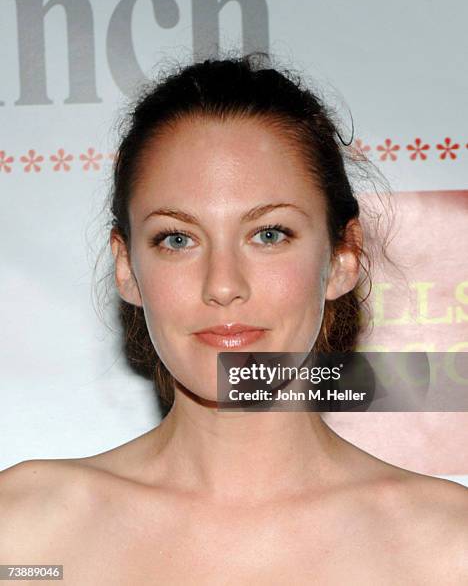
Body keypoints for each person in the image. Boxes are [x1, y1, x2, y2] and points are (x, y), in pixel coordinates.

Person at [1, 53, 467, 585]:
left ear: (343, 257)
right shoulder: (22, 537)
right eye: (177, 239)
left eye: (269, 234)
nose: (223, 285)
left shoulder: (449, 548)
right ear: (128, 268)